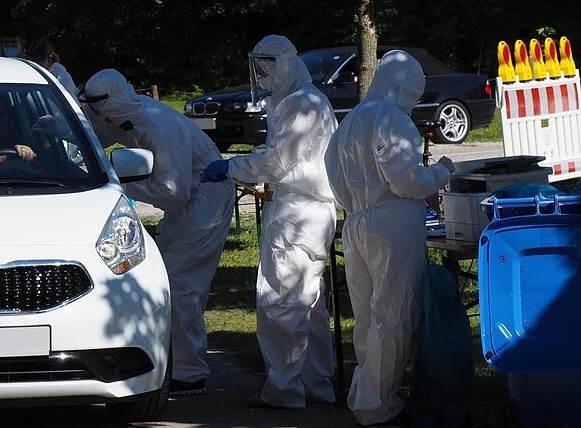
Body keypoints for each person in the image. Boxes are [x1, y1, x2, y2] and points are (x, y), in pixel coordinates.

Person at [80, 69, 236, 396]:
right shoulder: (126, 115)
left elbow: (172, 190)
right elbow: (98, 137)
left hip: (204, 201)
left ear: (107, 104)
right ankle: (177, 362)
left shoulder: (159, 127)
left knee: (182, 287)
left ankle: (190, 373)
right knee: (170, 281)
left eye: (95, 110)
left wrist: (120, 184)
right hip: (188, 205)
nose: (95, 117)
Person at [201, 35, 338, 408]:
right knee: (308, 304)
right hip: (306, 209)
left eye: (267, 65)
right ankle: (315, 386)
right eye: (259, 65)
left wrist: (231, 167)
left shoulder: (302, 104)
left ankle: (284, 391)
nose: (262, 73)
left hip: (297, 214)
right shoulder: (301, 100)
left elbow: (277, 162)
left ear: (287, 64)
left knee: (280, 301)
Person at [324, 50, 454, 427]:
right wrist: (441, 172)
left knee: (367, 316)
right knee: (394, 314)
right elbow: (407, 181)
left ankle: (366, 394)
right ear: (404, 88)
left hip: (356, 223)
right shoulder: (392, 120)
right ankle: (380, 405)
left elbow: (333, 174)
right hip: (393, 226)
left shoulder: (350, 121)